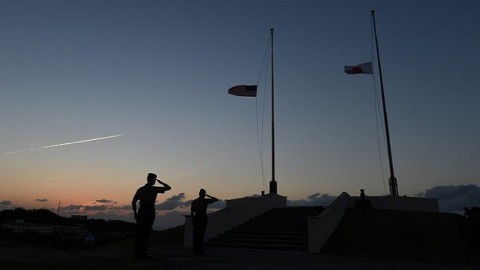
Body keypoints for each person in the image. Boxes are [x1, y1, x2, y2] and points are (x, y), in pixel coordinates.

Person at [131, 173, 171, 257]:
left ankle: (137, 252)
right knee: (146, 231)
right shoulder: (153, 189)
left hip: (141, 210)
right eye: (154, 179)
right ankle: (143, 253)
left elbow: (133, 201)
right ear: (153, 180)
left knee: (139, 232)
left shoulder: (140, 189)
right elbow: (168, 188)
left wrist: (135, 212)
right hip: (149, 210)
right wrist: (161, 182)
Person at [191, 188, 219, 255]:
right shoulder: (200, 201)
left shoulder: (200, 201)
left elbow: (216, 200)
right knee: (198, 235)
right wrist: (209, 196)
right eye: (203, 193)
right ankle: (197, 250)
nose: (203, 195)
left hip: (201, 218)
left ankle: (198, 250)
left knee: (199, 235)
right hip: (200, 218)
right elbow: (192, 212)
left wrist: (209, 196)